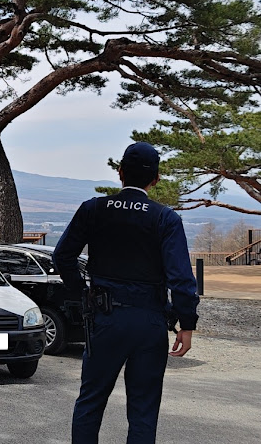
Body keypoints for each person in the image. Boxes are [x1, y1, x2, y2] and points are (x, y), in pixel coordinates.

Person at [53, 142, 200, 444]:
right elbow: (181, 278)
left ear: (119, 172)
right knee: (143, 408)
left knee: (91, 401)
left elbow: (62, 257)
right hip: (149, 320)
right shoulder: (165, 218)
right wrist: (187, 323)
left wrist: (83, 293)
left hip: (104, 316)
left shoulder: (93, 209)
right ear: (156, 179)